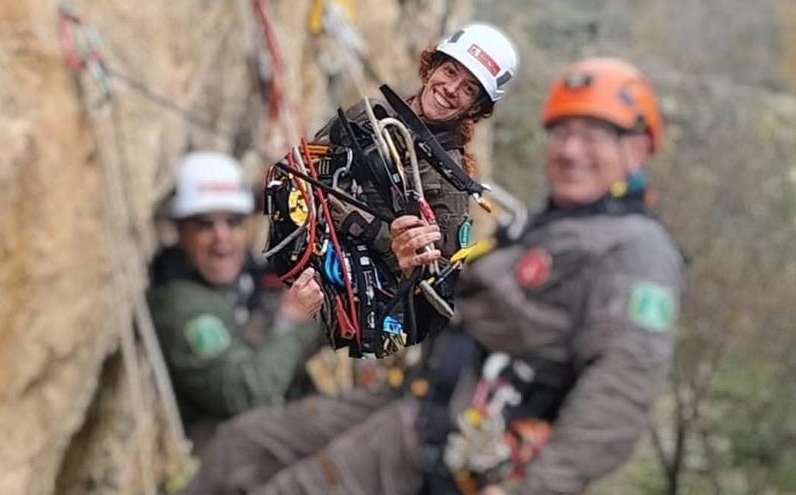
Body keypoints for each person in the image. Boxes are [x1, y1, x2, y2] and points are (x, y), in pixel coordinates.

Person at [202, 56, 682, 495]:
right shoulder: (545, 225)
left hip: (460, 444)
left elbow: (618, 394)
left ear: (637, 149)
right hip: (418, 396)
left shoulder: (636, 252)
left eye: (593, 137)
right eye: (562, 134)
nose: (571, 151)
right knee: (242, 446)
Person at [195, 23, 519, 494]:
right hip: (292, 249)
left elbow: (431, 295)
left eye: (468, 89)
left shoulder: (446, 192)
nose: (451, 90)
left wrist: (398, 251)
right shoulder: (373, 114)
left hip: (343, 302)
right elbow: (307, 165)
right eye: (450, 72)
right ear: (432, 66)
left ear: (476, 107)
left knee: (252, 385)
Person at [147, 151, 324, 453]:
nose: (222, 238)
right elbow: (247, 395)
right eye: (205, 226)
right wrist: (289, 322)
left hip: (279, 436)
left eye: (233, 222)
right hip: (234, 459)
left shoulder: (246, 280)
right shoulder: (182, 306)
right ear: (181, 232)